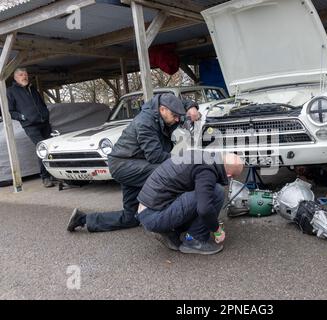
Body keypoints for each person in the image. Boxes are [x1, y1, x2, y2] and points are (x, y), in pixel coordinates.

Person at [67, 93, 200, 233]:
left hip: (135, 162)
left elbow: (179, 104)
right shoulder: (145, 123)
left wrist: (191, 107)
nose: (178, 119)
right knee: (167, 173)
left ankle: (82, 219)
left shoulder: (165, 108)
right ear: (162, 110)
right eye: (175, 116)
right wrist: (184, 159)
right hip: (124, 165)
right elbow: (156, 157)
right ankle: (173, 223)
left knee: (131, 217)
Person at [136, 152, 244, 255]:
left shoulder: (204, 157)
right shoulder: (207, 171)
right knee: (217, 192)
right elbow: (204, 209)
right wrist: (217, 230)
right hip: (153, 216)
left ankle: (171, 231)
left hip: (149, 209)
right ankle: (195, 240)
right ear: (229, 175)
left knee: (203, 195)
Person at [7, 68, 54, 187]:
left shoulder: (32, 88)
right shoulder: (11, 91)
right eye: (22, 75)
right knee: (42, 148)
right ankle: (45, 178)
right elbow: (10, 111)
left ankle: (53, 174)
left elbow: (42, 104)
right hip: (30, 125)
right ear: (16, 78)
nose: (25, 77)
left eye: (26, 74)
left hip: (44, 123)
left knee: (50, 148)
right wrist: (23, 117)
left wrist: (45, 113)